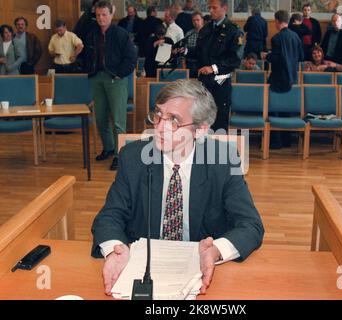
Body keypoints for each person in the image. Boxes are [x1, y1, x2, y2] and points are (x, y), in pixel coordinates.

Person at [91, 79, 265, 296]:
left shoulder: (223, 160)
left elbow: (250, 225)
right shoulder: (133, 157)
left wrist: (216, 251)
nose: (161, 128)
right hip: (143, 269)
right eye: (158, 115)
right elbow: (109, 217)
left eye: (174, 120)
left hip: (200, 274)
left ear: (200, 130)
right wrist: (115, 250)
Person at [84, 0, 137, 171]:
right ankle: (108, 148)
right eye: (98, 15)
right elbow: (86, 55)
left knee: (118, 121)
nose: (101, 18)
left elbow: (131, 58)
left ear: (111, 14)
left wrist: (119, 74)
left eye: (104, 14)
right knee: (100, 118)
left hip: (116, 80)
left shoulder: (121, 34)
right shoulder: (92, 34)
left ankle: (119, 154)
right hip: (97, 79)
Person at [196, 0, 242, 132]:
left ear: (224, 8)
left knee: (219, 120)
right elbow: (200, 52)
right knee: (202, 118)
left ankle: (219, 151)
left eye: (214, 8)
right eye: (209, 7)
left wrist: (214, 68)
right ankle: (202, 150)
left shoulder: (233, 30)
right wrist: (185, 51)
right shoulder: (206, 29)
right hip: (204, 81)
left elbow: (235, 59)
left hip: (220, 81)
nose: (210, 11)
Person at [261, 10, 303, 93]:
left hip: (279, 79)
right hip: (293, 78)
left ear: (277, 21)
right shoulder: (296, 36)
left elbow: (275, 58)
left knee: (269, 97)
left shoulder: (276, 38)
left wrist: (267, 56)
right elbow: (301, 57)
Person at [184, 11, 204, 78]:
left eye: (198, 20)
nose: (196, 22)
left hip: (203, 64)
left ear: (202, 20)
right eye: (194, 20)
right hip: (190, 64)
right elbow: (185, 49)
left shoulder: (208, 33)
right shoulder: (188, 34)